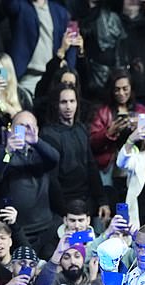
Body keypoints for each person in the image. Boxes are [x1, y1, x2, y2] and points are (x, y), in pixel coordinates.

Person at [0, 110, 60, 257]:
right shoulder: (1, 152)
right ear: (11, 129)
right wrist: (9, 151)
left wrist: (37, 142)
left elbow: (55, 159)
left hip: (43, 226)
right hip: (15, 226)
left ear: (37, 130)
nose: (26, 130)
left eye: (30, 126)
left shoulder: (41, 152)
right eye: (21, 126)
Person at [40, 84, 110, 224]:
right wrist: (64, 211)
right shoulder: (48, 134)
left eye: (72, 101)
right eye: (63, 102)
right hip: (62, 206)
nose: (68, 107)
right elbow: (52, 179)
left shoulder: (81, 128)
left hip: (86, 200)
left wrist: (102, 200)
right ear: (56, 105)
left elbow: (91, 167)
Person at [89, 69, 145, 187]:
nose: (121, 93)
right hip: (110, 163)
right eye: (117, 89)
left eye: (125, 88)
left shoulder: (141, 111)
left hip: (137, 161)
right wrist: (109, 132)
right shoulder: (103, 112)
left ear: (131, 88)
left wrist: (140, 129)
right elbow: (92, 143)